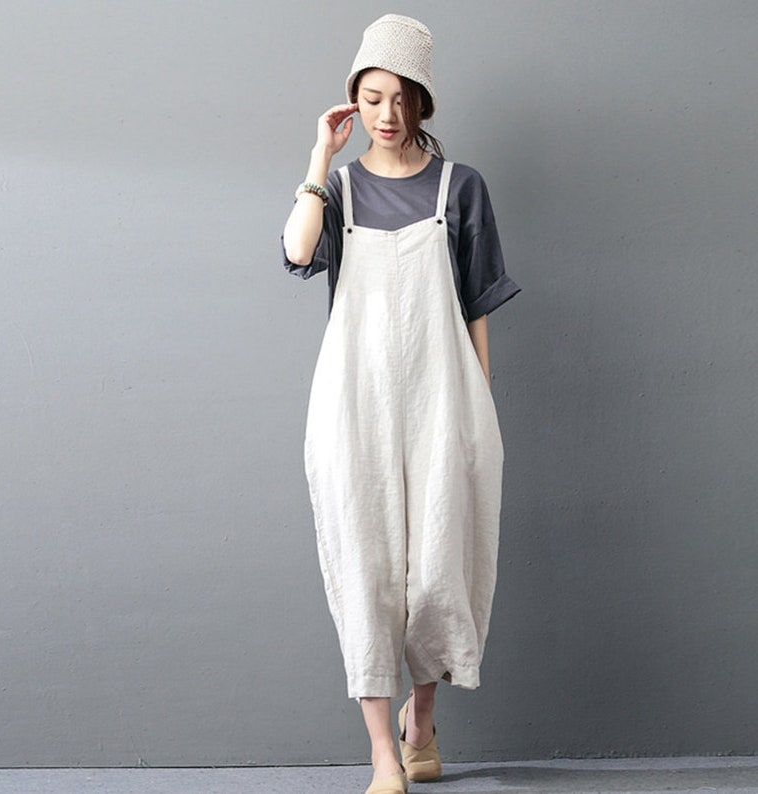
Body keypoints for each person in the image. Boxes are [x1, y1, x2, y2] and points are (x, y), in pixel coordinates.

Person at [282, 14, 519, 794]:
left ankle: (423, 720)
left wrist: (480, 411)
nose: (386, 114)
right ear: (355, 102)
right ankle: (385, 755)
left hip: (443, 404)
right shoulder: (340, 191)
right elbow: (297, 251)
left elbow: (476, 306)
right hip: (354, 408)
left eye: (400, 97)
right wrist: (319, 158)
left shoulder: (460, 188)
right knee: (367, 570)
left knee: (434, 573)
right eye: (371, 97)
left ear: (422, 101)